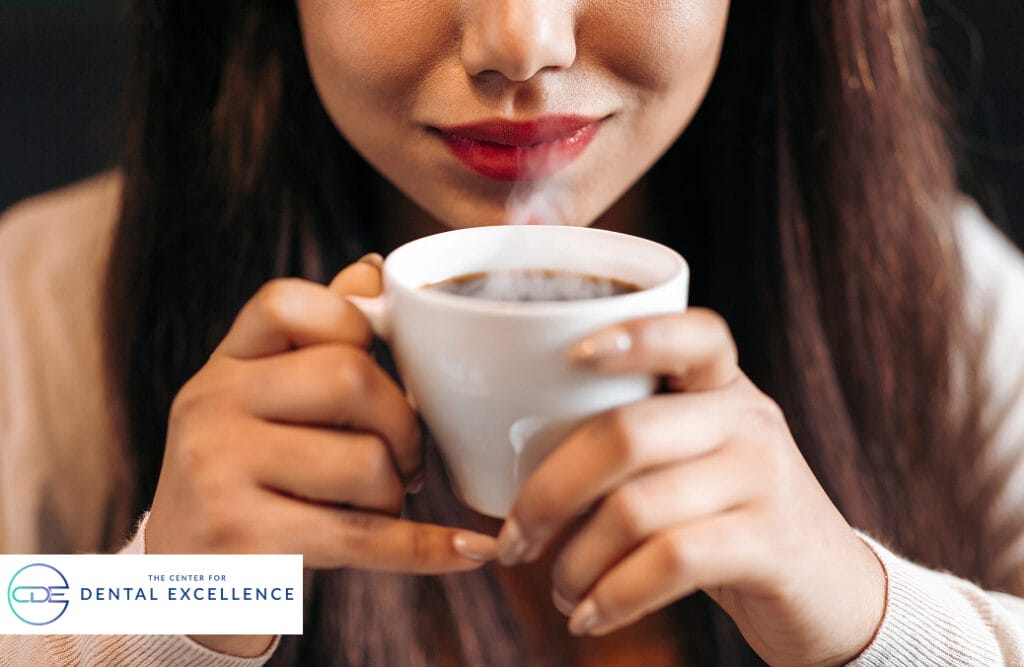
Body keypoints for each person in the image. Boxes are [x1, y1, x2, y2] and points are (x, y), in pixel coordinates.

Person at [2, 1, 1023, 665]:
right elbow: (26, 607)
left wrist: (867, 611)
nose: (521, 42)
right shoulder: (40, 311)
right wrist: (164, 597)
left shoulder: (952, 302)